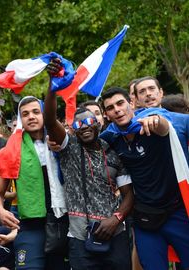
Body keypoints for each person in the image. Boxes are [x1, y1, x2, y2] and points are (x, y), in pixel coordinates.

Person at [44, 59, 134, 270]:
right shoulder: (69, 147)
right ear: (72, 129)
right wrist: (52, 86)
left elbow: (129, 193)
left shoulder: (113, 150)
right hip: (79, 238)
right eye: (77, 124)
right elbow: (49, 120)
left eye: (88, 121)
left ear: (99, 122)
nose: (83, 126)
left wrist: (116, 219)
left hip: (115, 234)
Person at [100, 87, 189, 270]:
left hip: (176, 212)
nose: (117, 109)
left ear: (131, 103)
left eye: (120, 103)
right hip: (146, 219)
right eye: (110, 108)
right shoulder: (110, 138)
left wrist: (157, 122)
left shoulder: (151, 120)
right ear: (107, 115)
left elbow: (165, 126)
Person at [0, 96, 69, 270]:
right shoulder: (11, 150)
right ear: (20, 120)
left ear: (44, 114)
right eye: (25, 114)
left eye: (36, 112)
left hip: (64, 222)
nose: (31, 117)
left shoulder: (62, 142)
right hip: (29, 225)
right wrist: (0, 211)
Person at [134, 76, 189, 163]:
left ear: (161, 92)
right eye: (142, 91)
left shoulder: (184, 120)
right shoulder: (132, 127)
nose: (148, 93)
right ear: (136, 100)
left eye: (151, 88)